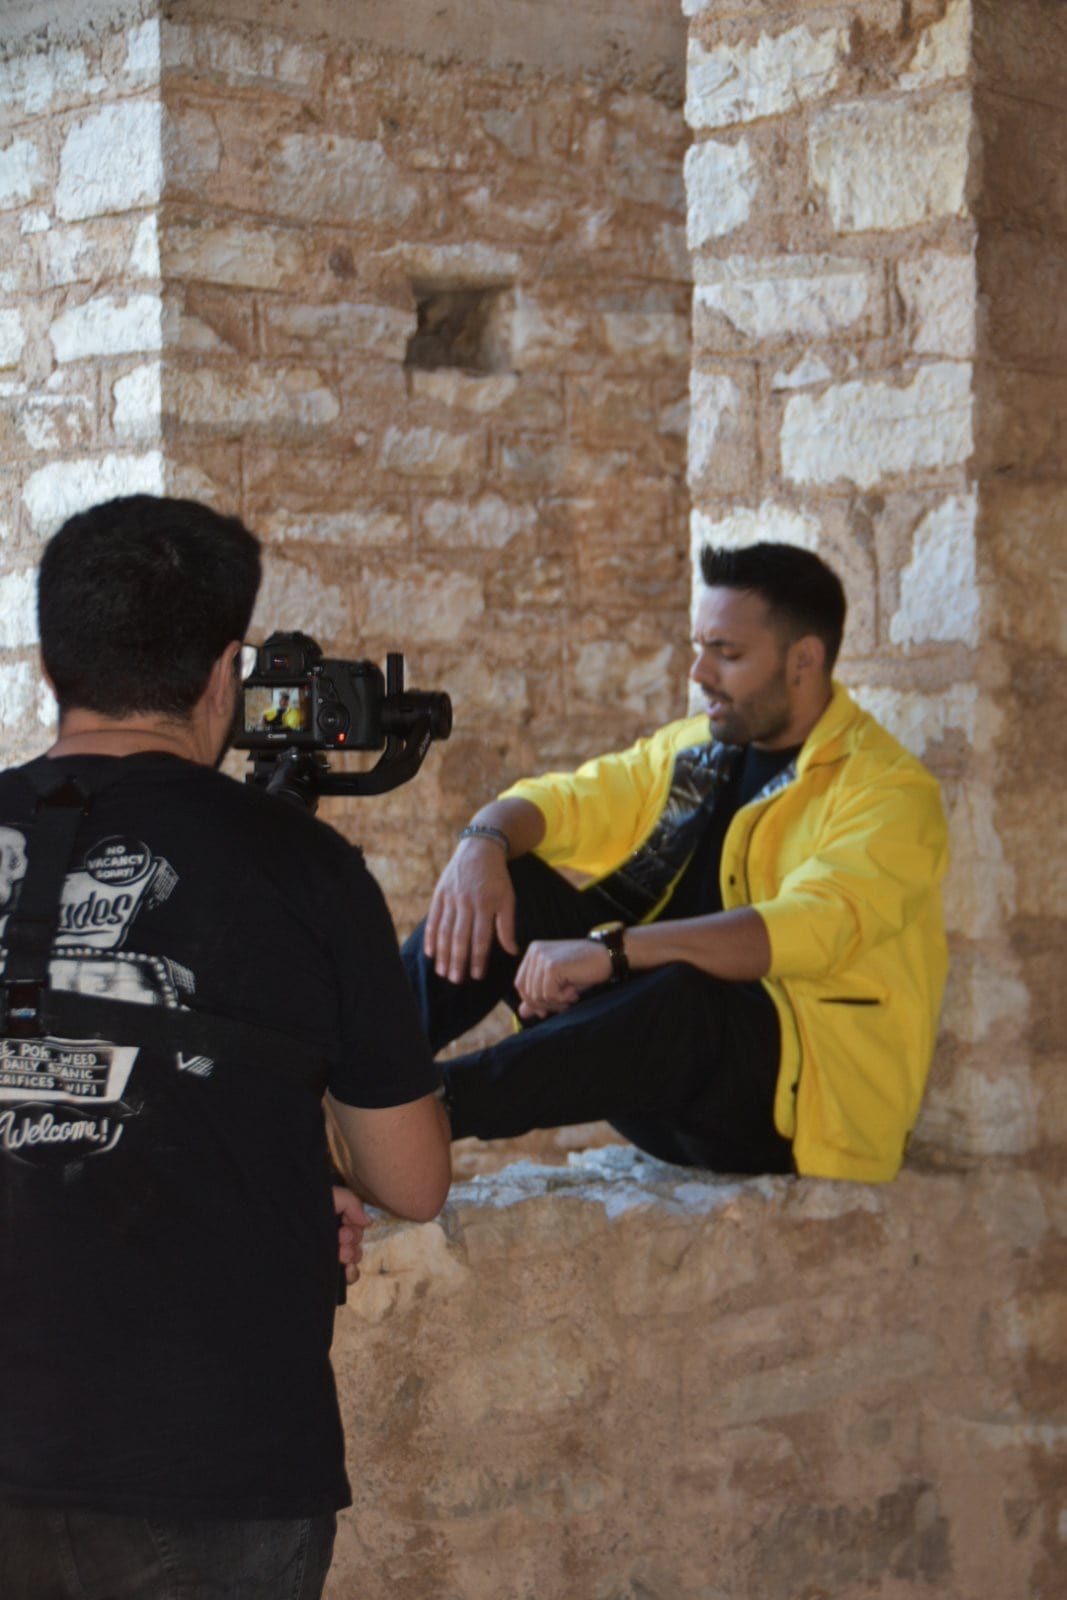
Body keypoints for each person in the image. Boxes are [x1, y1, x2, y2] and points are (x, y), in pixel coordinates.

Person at [0, 495, 450, 1600]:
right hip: (204, 1464)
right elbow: (411, 1178)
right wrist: (283, 1158)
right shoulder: (303, 869)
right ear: (222, 676)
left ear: (52, 666)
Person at [403, 541, 949, 1184]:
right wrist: (482, 842)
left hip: (788, 1113)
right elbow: (570, 801)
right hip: (655, 1069)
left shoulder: (887, 792)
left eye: (727, 653)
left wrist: (614, 951)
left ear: (804, 659)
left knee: (684, 994)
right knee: (510, 883)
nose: (699, 672)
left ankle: (416, 1114)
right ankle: (349, 1076)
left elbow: (810, 925)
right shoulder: (696, 750)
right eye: (699, 646)